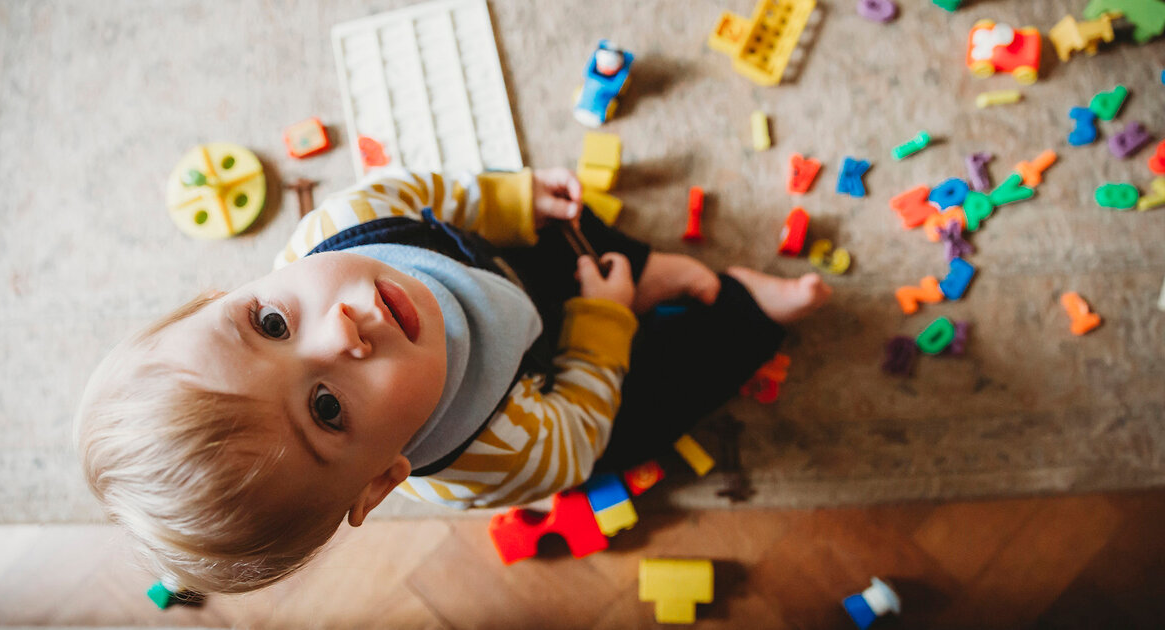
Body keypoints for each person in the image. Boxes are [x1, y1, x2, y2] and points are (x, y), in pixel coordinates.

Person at [75, 166, 831, 594]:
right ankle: (744, 312)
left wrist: (512, 198)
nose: (341, 330)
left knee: (569, 235)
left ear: (228, 294)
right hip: (549, 377)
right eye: (327, 408)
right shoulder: (492, 459)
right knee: (656, 398)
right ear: (380, 480)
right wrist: (603, 324)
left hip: (496, 269)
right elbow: (578, 430)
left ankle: (641, 270)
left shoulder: (336, 232)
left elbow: (420, 192)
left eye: (270, 323)